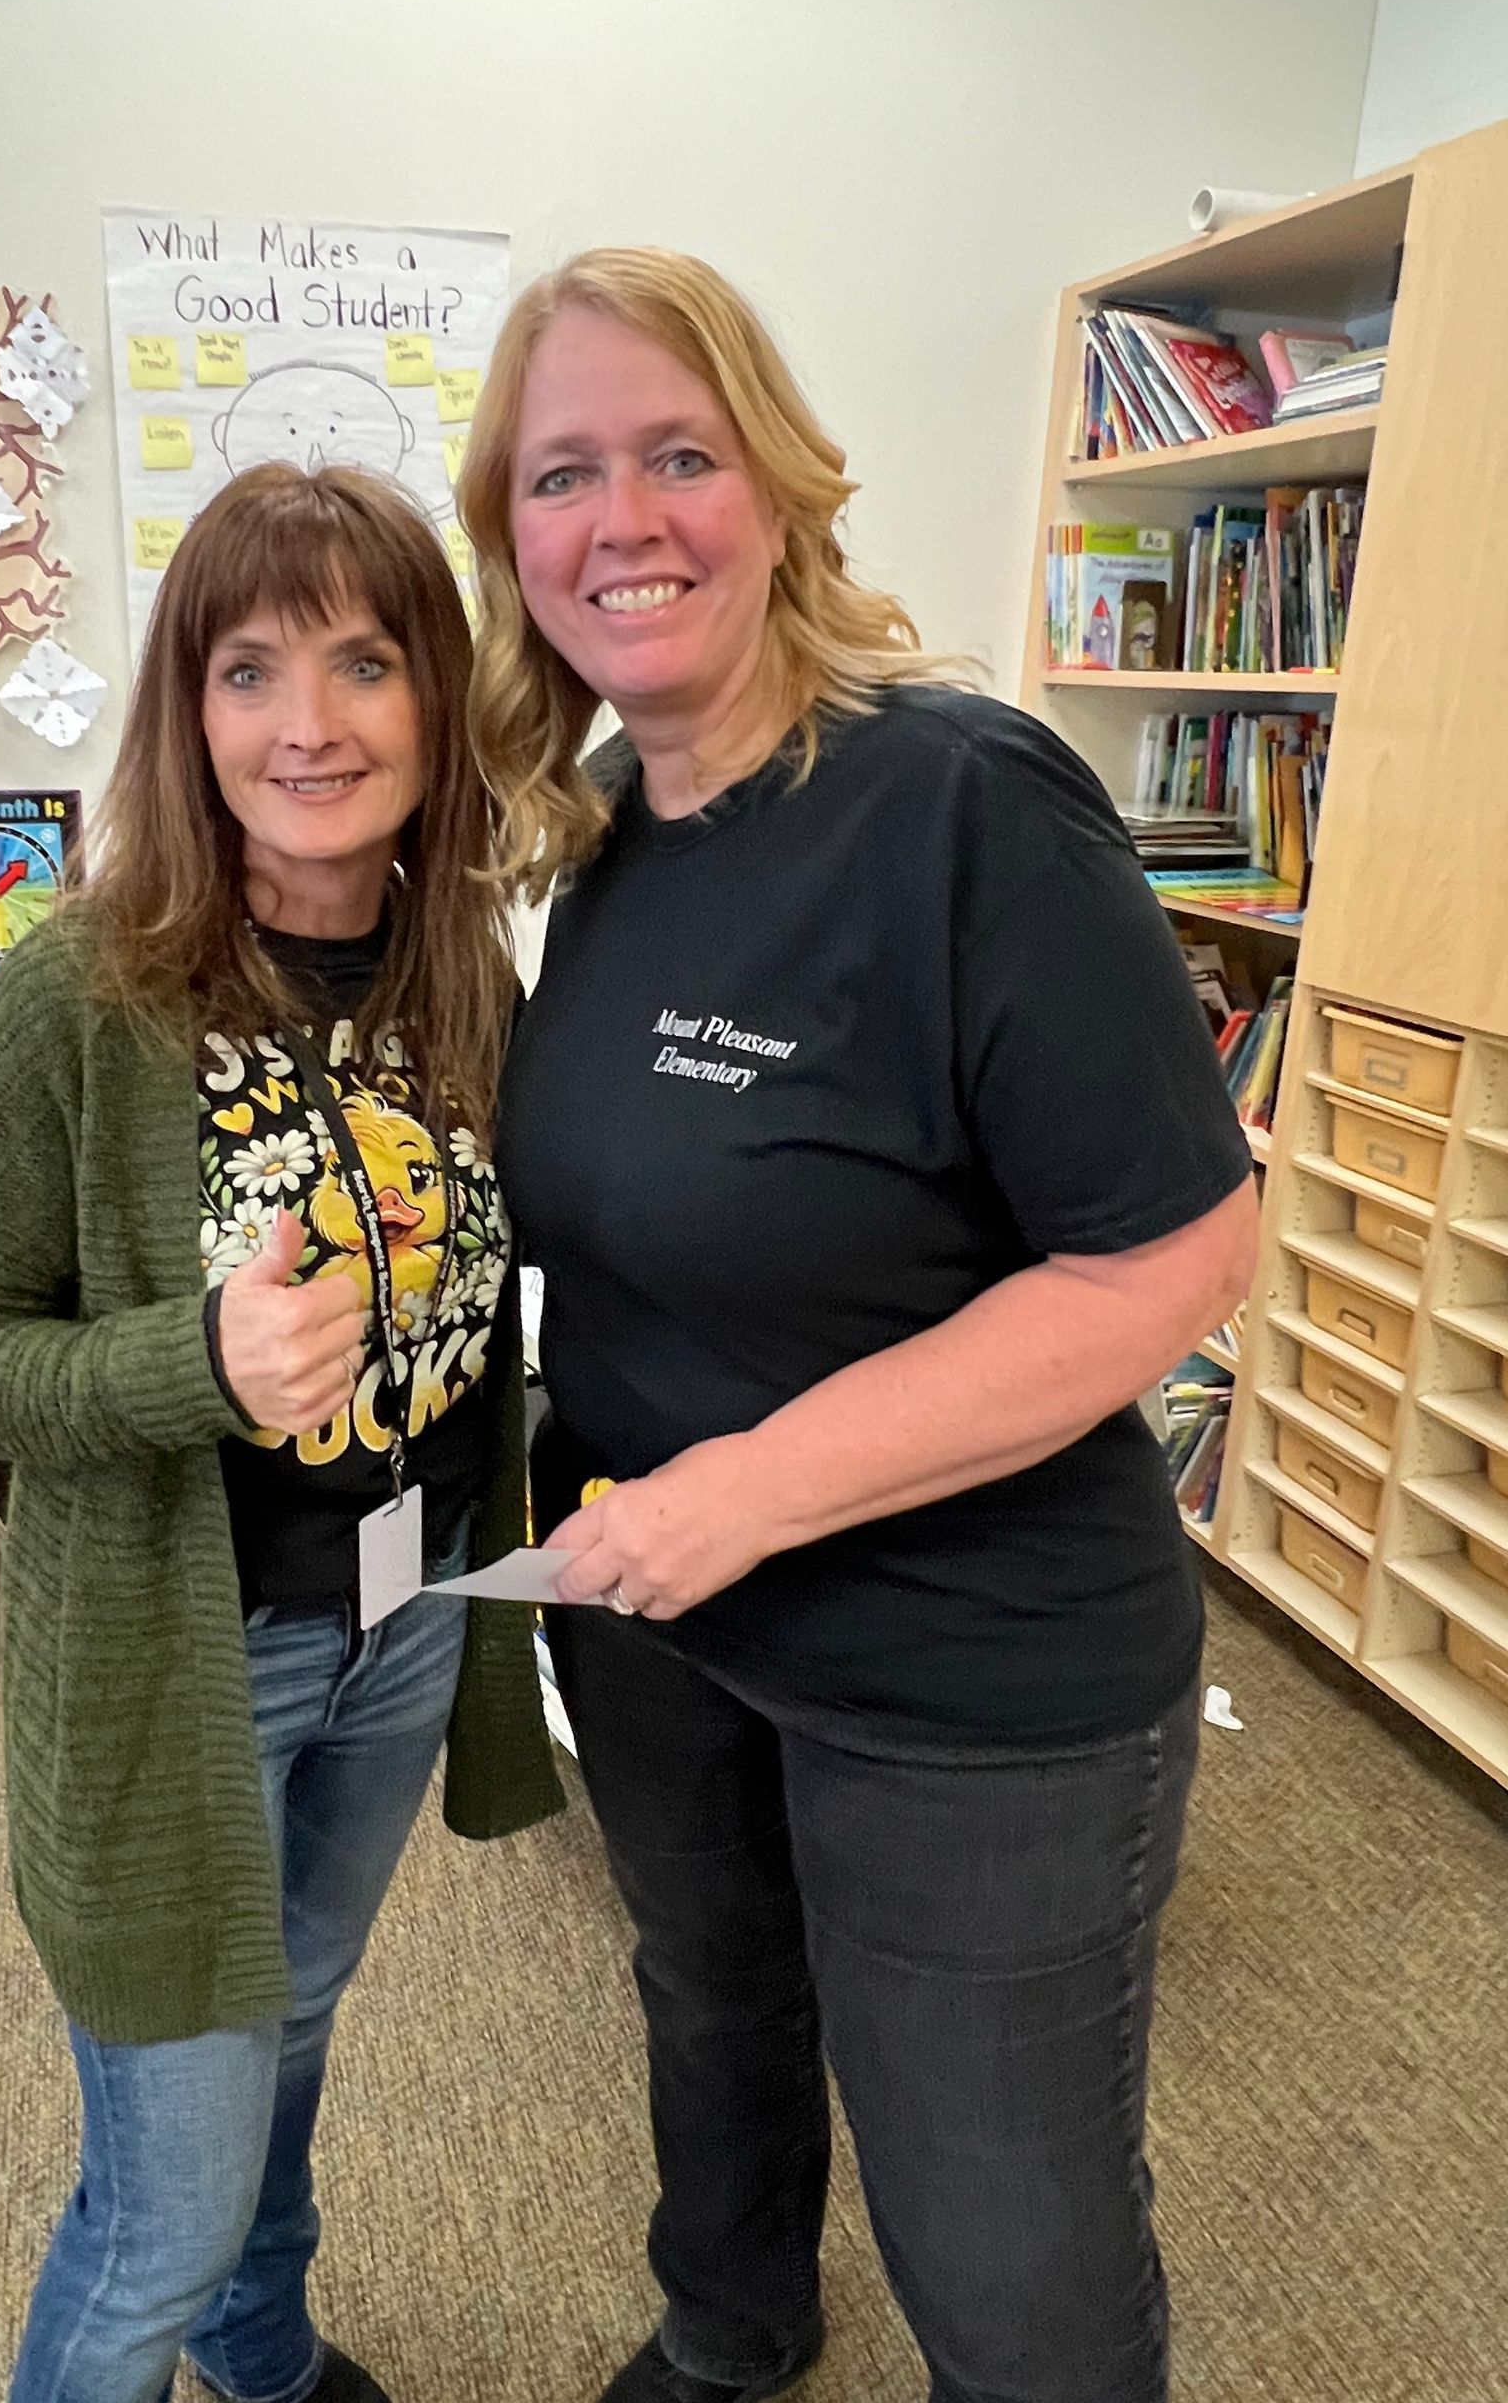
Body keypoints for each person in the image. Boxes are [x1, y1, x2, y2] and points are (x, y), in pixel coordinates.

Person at [462, 249, 1258, 2403]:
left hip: (965, 1662)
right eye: (561, 473)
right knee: (713, 2021)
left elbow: (1173, 1258)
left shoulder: (962, 802)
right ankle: (731, 2338)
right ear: (509, 536)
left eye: (677, 453)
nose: (621, 517)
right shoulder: (614, 819)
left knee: (1002, 2236)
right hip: (655, 1613)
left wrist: (751, 1489)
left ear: (782, 485)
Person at [0, 461, 562, 2403]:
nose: (310, 722)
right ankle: (211, 2304)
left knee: (297, 2023)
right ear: (189, 708)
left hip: (408, 1610)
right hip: (183, 1669)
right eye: (251, 666)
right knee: (156, 2203)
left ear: (438, 696)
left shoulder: (461, 979)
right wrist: (196, 1361)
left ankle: (267, 2349)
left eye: (364, 660)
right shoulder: (82, 997)